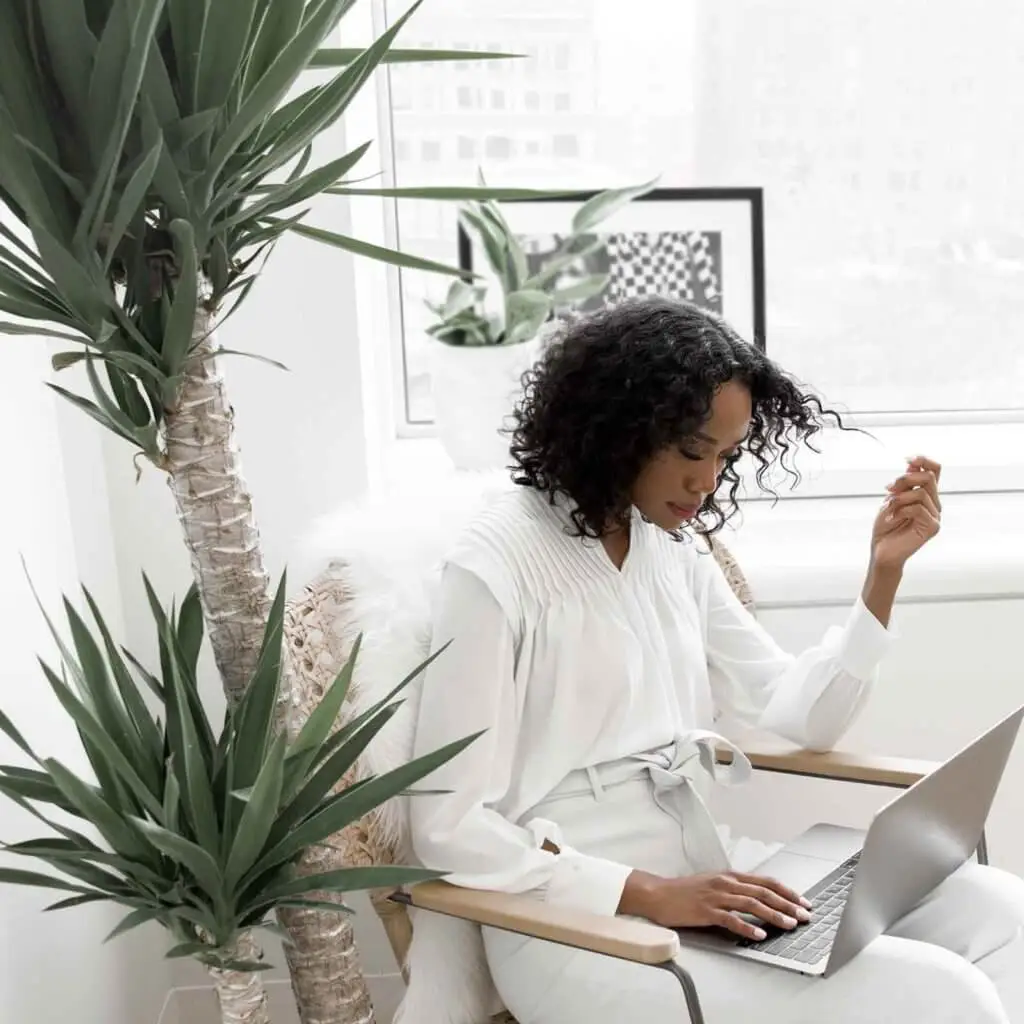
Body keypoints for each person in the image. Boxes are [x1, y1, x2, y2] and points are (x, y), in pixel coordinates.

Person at [407, 299, 1024, 1024]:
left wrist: (881, 575)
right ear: (620, 429)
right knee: (940, 994)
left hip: (704, 875)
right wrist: (646, 893)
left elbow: (801, 716)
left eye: (726, 455)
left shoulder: (671, 549)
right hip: (577, 929)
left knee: (999, 910)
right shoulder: (496, 565)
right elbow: (446, 826)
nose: (708, 482)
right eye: (692, 451)